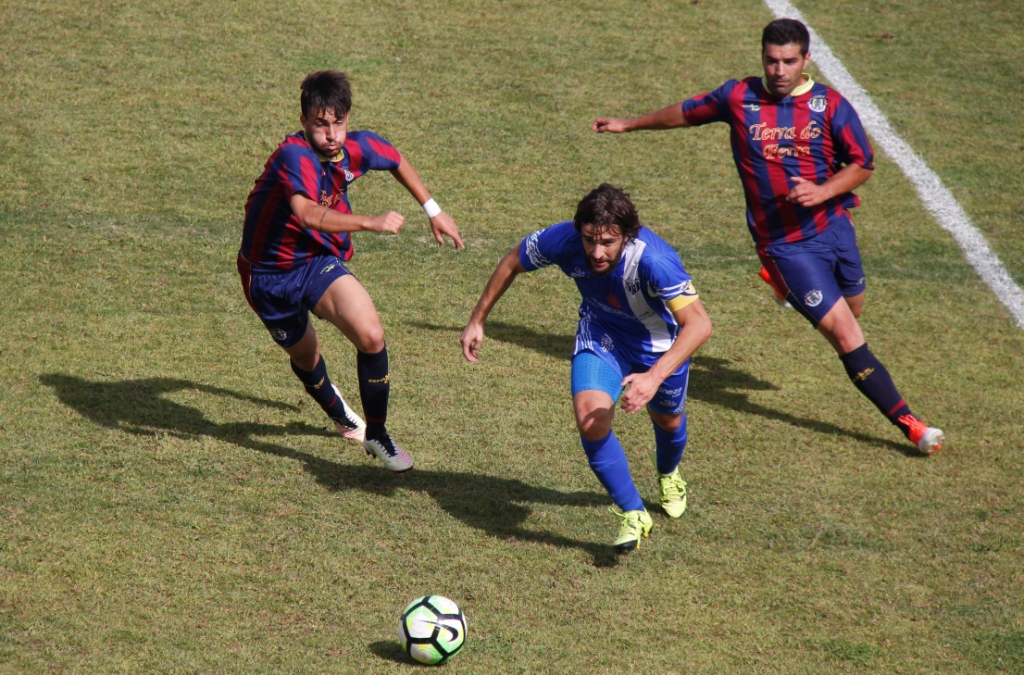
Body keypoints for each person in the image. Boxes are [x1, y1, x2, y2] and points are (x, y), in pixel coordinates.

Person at [593, 18, 943, 455]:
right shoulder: (739, 97)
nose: (779, 70)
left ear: (806, 60)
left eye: (789, 61)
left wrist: (823, 191)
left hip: (834, 227)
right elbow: (685, 112)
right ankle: (911, 424)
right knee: (847, 337)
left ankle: (784, 287)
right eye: (772, 61)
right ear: (762, 57)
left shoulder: (830, 106)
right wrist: (629, 124)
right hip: (783, 245)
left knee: (854, 308)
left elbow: (863, 164)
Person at [460, 185, 712, 552]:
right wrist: (478, 319)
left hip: (659, 348)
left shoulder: (654, 261)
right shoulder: (563, 240)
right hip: (602, 335)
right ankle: (633, 513)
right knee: (590, 418)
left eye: (608, 242)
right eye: (589, 240)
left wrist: (654, 376)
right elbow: (514, 258)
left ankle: (669, 474)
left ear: (628, 235)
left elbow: (700, 324)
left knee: (669, 422)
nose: (596, 252)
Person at [238, 70, 464, 473]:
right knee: (307, 355)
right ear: (304, 121)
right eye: (320, 124)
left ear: (347, 119)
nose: (331, 134)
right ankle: (341, 414)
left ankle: (376, 433)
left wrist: (434, 210)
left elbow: (393, 156)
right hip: (269, 276)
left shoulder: (355, 147)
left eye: (337, 123)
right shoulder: (295, 156)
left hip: (314, 260)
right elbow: (306, 213)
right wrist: (369, 221)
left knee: (371, 334)